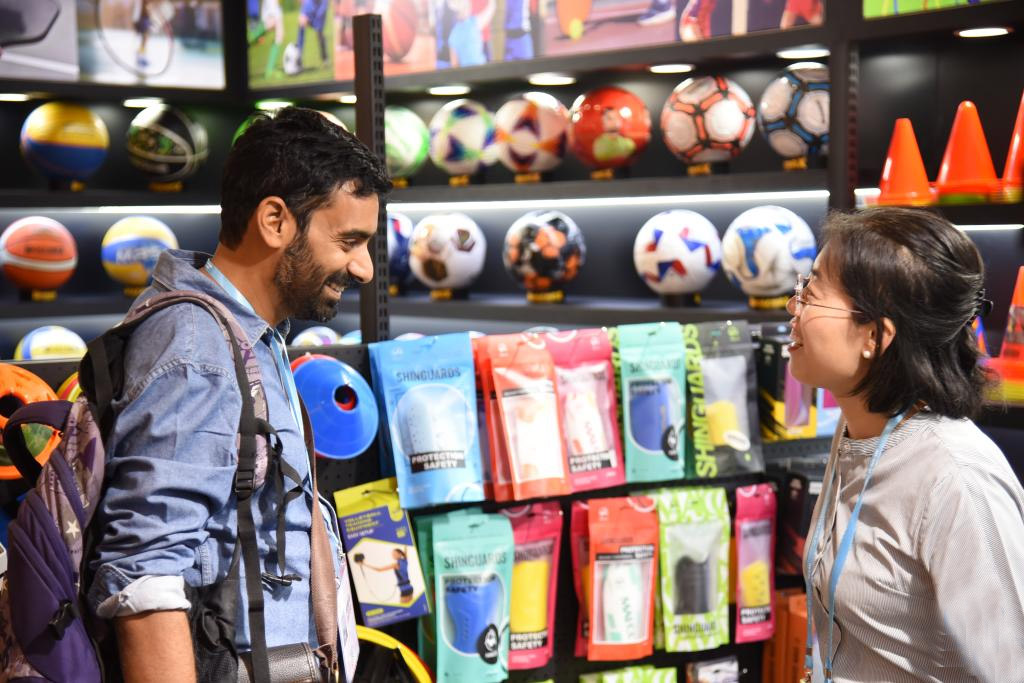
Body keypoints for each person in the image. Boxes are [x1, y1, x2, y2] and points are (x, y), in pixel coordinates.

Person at [87, 107, 391, 681]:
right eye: (349, 240)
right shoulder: (197, 350)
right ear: (275, 221)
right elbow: (145, 576)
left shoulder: (249, 335)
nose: (364, 268)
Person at [789, 207, 1024, 682]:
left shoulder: (956, 479)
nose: (794, 307)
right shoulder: (859, 429)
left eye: (811, 293)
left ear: (875, 335)